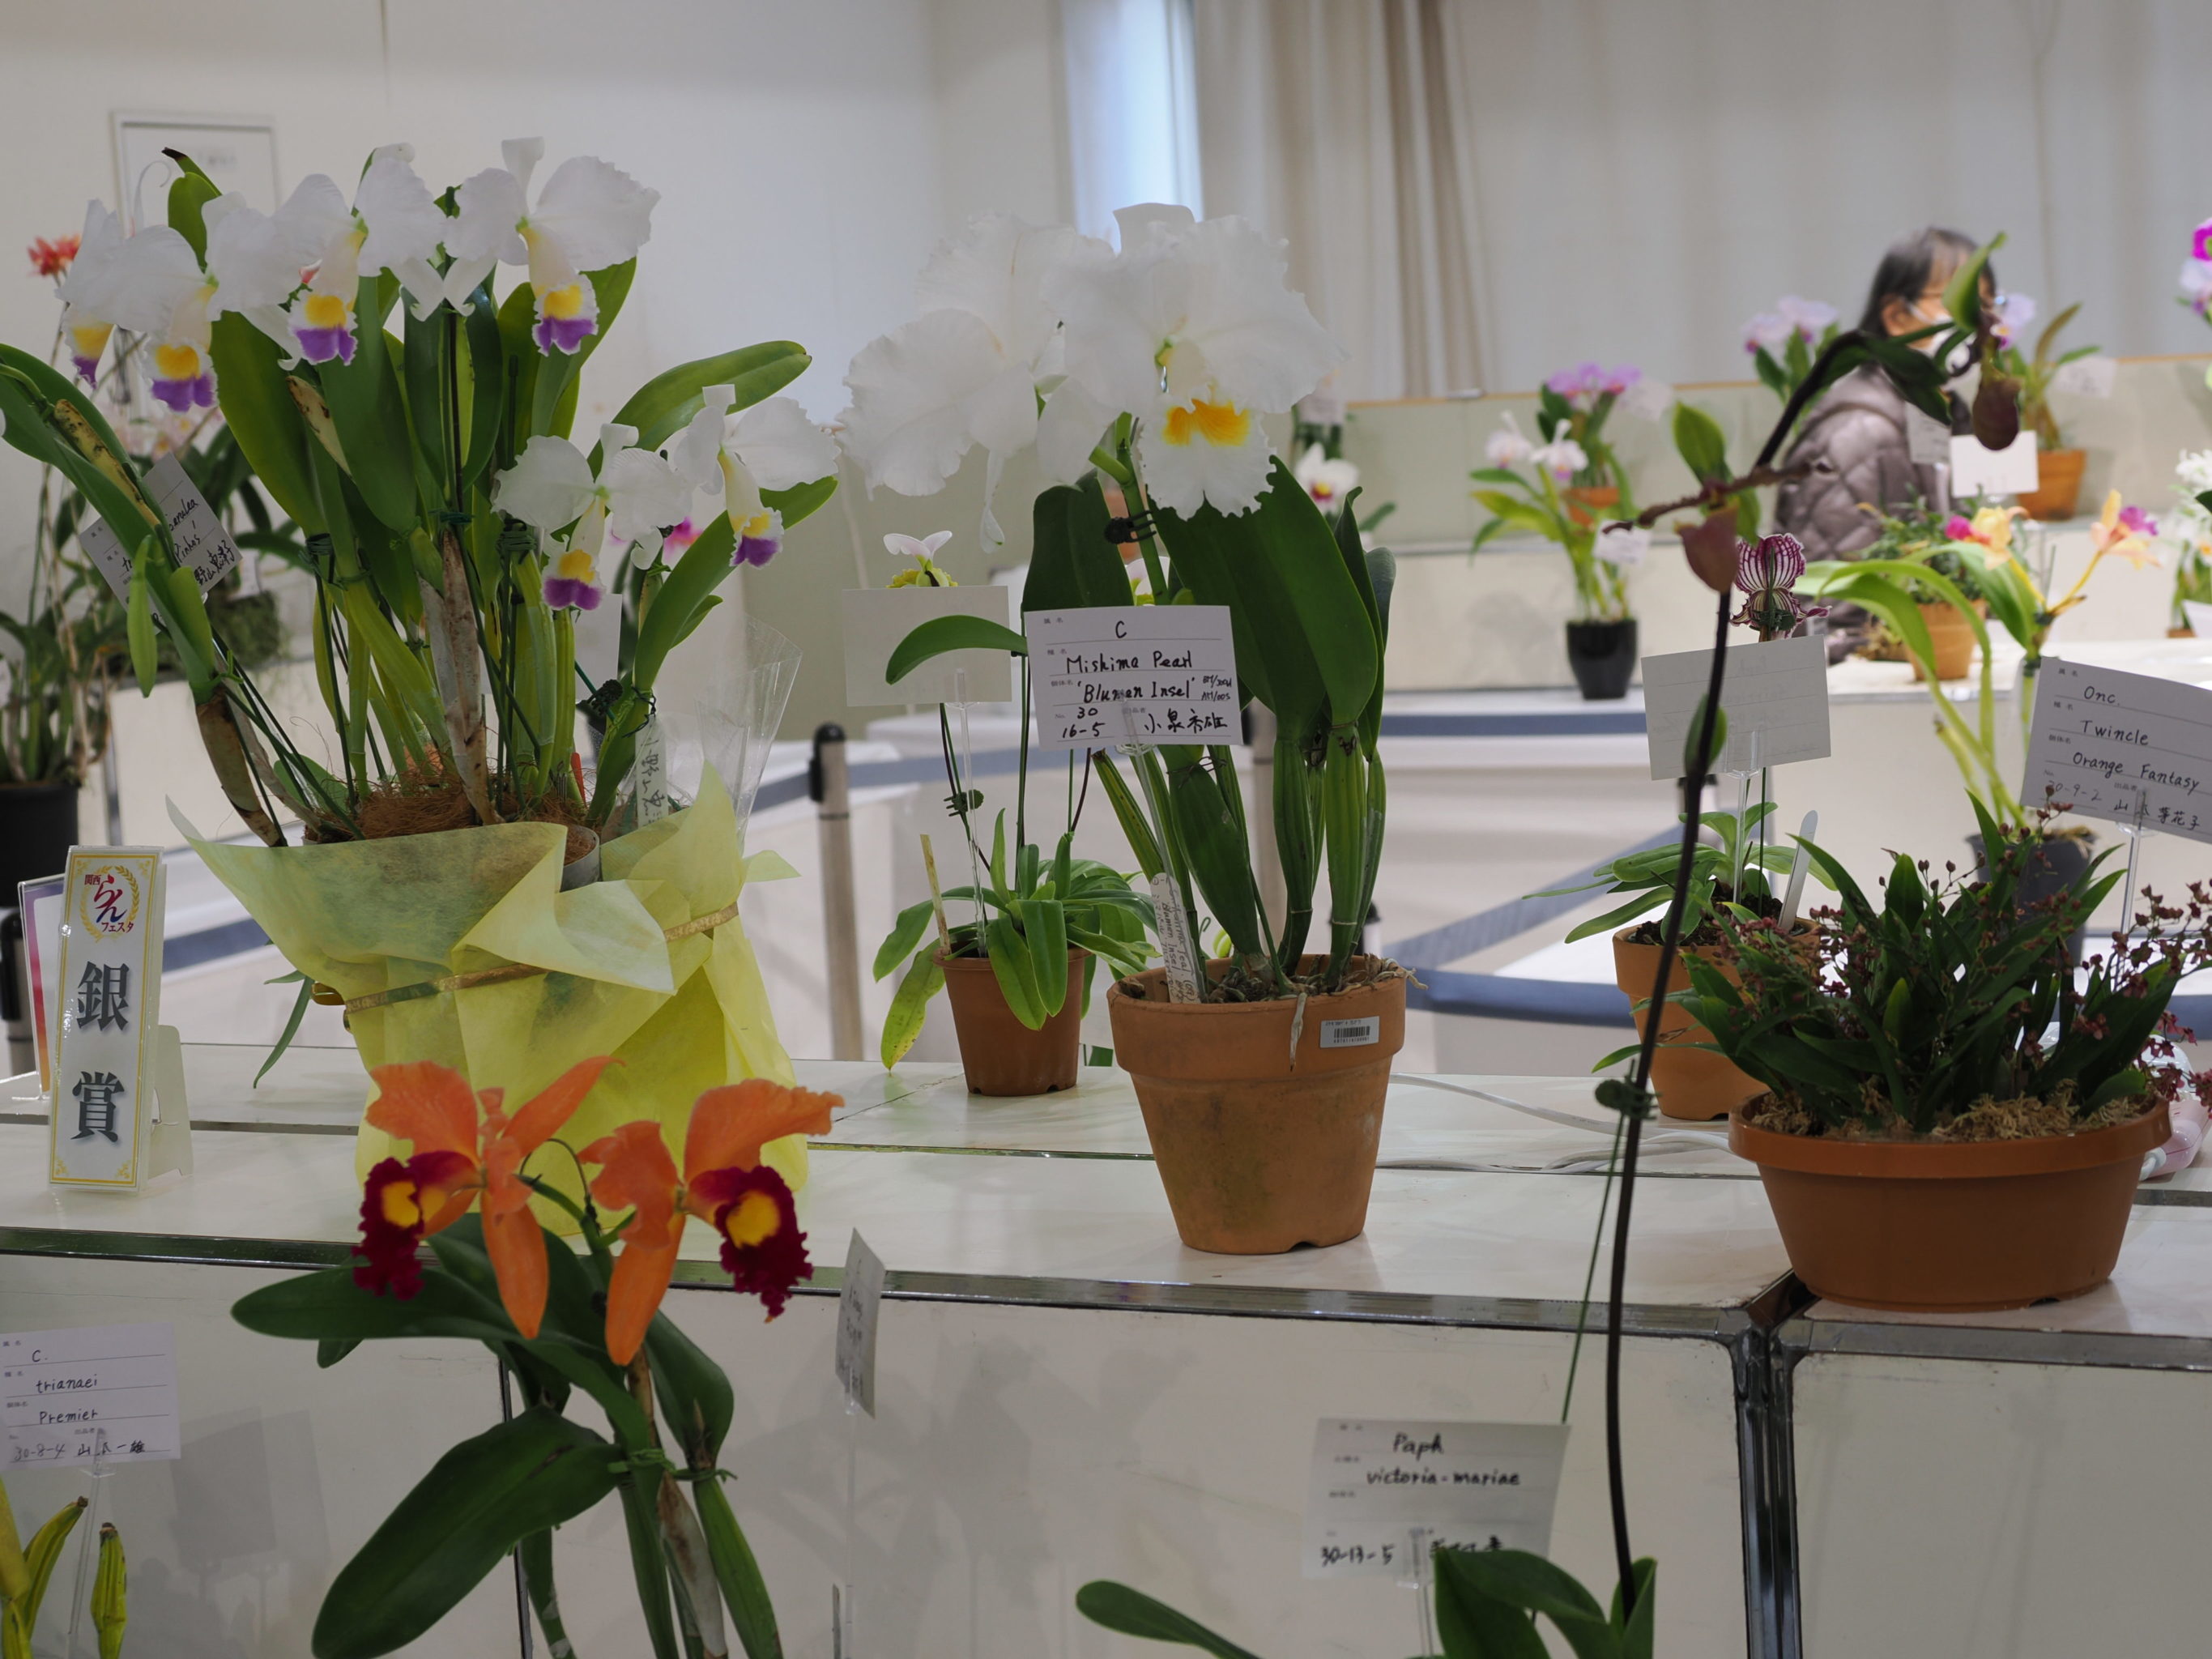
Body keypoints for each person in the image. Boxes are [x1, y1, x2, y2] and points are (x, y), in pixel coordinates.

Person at [1773, 227, 1992, 558]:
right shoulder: (1857, 432)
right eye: (1957, 302)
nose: (1977, 320)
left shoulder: (1949, 413)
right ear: (1897, 317)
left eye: (1985, 303)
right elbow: (1832, 584)